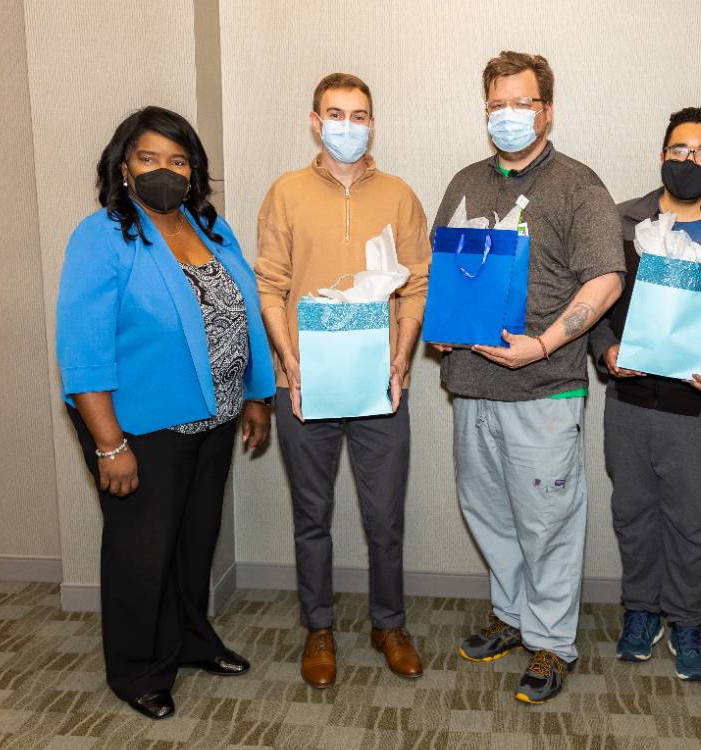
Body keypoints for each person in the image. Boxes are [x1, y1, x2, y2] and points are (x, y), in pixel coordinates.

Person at [56, 106, 276, 720]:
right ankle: (137, 668)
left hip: (215, 416)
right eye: (148, 158)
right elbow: (82, 350)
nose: (164, 171)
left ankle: (191, 641)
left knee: (193, 538)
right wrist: (108, 444)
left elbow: (245, 314)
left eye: (177, 161)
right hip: (138, 427)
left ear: (193, 170)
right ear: (124, 166)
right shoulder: (102, 236)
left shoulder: (209, 226)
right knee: (141, 547)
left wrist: (258, 396)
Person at [432, 51, 624, 704]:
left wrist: (544, 342)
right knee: (489, 515)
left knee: (547, 524)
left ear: (546, 108)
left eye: (521, 103)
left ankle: (551, 641)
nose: (508, 115)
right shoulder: (463, 183)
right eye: (496, 105)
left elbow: (604, 278)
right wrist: (439, 318)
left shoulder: (578, 185)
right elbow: (444, 273)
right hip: (471, 387)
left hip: (545, 390)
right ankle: (512, 617)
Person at [254, 73, 431, 690]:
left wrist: (402, 356)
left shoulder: (401, 195)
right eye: (336, 114)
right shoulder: (287, 192)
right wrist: (288, 359)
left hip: (380, 383)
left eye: (359, 115)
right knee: (313, 514)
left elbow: (417, 285)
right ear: (314, 120)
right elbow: (270, 283)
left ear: (373, 123)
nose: (347, 126)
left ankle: (389, 624)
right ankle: (320, 627)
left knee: (385, 517)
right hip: (302, 384)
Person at [589, 107, 701, 678]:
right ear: (661, 153)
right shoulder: (618, 222)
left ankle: (687, 620)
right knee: (632, 514)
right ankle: (641, 612)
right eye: (679, 149)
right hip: (628, 405)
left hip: (698, 411)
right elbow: (592, 303)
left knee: (689, 522)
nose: (689, 161)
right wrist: (606, 349)